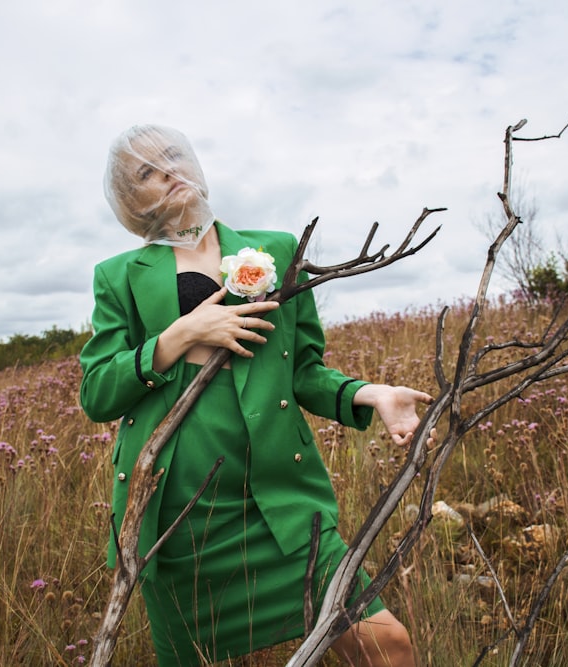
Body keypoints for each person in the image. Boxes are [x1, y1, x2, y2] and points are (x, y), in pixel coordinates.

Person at [80, 125, 432, 666]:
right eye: (146, 172)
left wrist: (371, 394)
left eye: (172, 157)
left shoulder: (273, 249)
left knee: (386, 644)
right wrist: (180, 335)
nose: (168, 173)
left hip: (279, 507)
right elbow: (97, 393)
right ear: (130, 201)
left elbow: (305, 371)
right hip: (177, 524)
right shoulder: (119, 276)